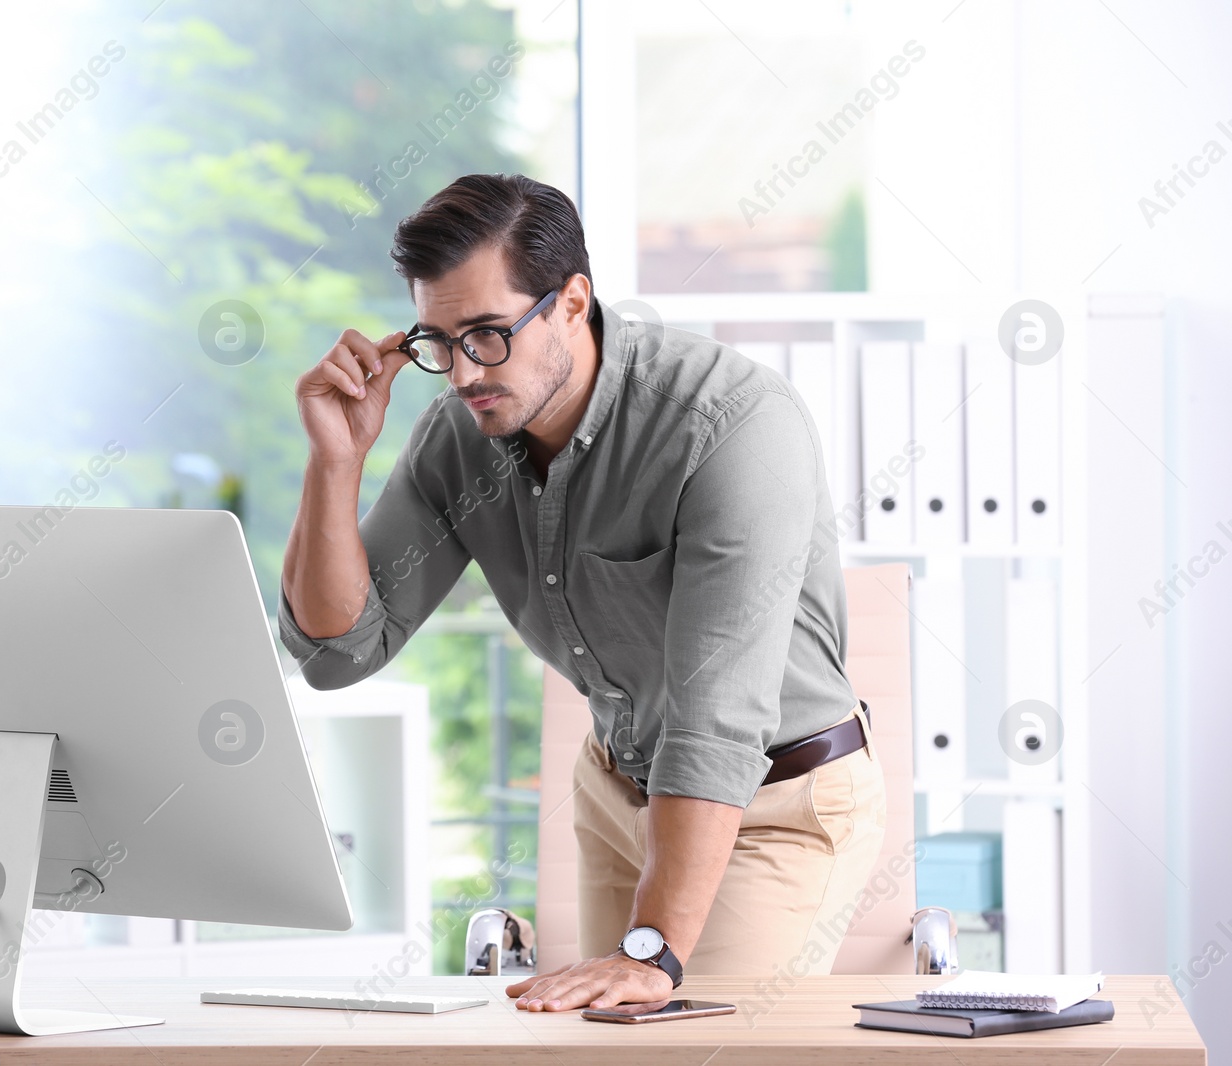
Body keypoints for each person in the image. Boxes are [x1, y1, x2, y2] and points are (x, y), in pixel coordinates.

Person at [278, 173, 885, 1011]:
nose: (459, 373)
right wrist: (334, 463)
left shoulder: (735, 426)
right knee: (599, 1047)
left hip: (771, 801)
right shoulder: (461, 433)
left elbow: (716, 720)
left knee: (691, 1047)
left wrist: (651, 951)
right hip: (618, 784)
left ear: (571, 301)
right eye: (437, 340)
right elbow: (337, 653)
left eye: (487, 335)